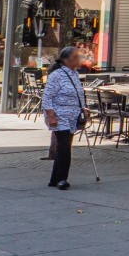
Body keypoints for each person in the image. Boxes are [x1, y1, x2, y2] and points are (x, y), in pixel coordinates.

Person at [41, 45, 88, 190]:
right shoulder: (56, 75)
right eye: (75, 57)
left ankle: (54, 179)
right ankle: (62, 179)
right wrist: (51, 117)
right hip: (59, 116)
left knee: (64, 146)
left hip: (72, 116)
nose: (79, 59)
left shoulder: (74, 74)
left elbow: (78, 94)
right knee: (64, 147)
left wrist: (83, 108)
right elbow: (46, 98)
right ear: (66, 60)